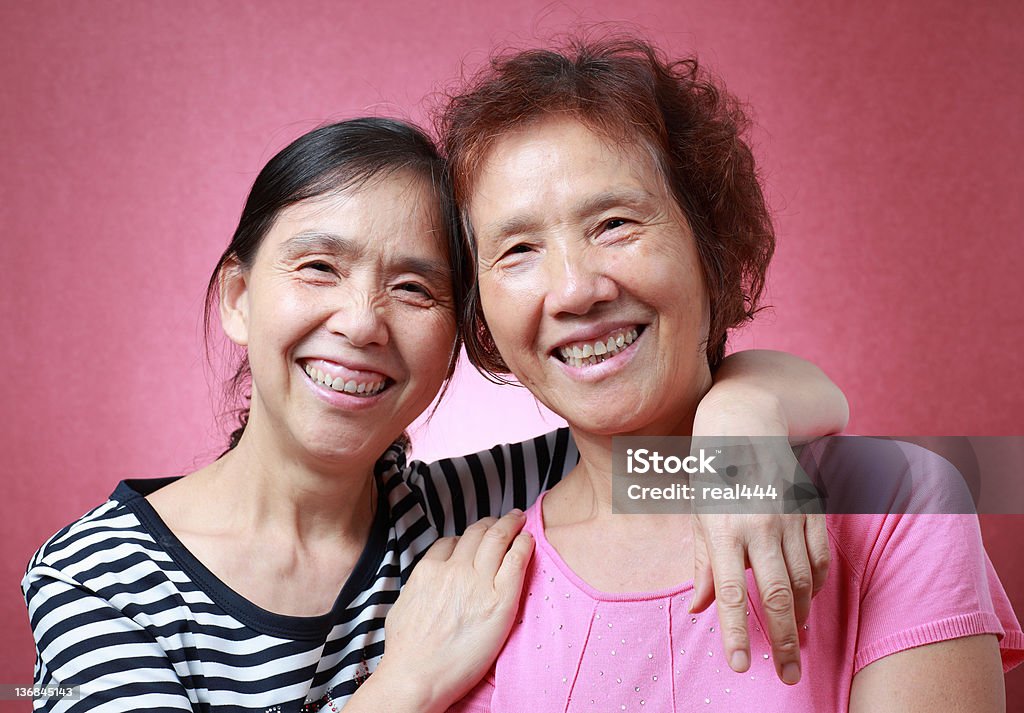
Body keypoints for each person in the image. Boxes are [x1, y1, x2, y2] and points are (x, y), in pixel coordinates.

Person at [23, 118, 848, 712]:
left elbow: (674, 434)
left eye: (415, 288)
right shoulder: (96, 577)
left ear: (463, 332)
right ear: (239, 297)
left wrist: (745, 407)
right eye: (318, 268)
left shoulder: (464, 507)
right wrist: (402, 687)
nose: (361, 322)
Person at [440, 36, 1024, 711]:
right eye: (518, 249)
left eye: (614, 224)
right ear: (480, 312)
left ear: (709, 248)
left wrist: (739, 419)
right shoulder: (472, 586)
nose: (574, 289)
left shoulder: (896, 504)